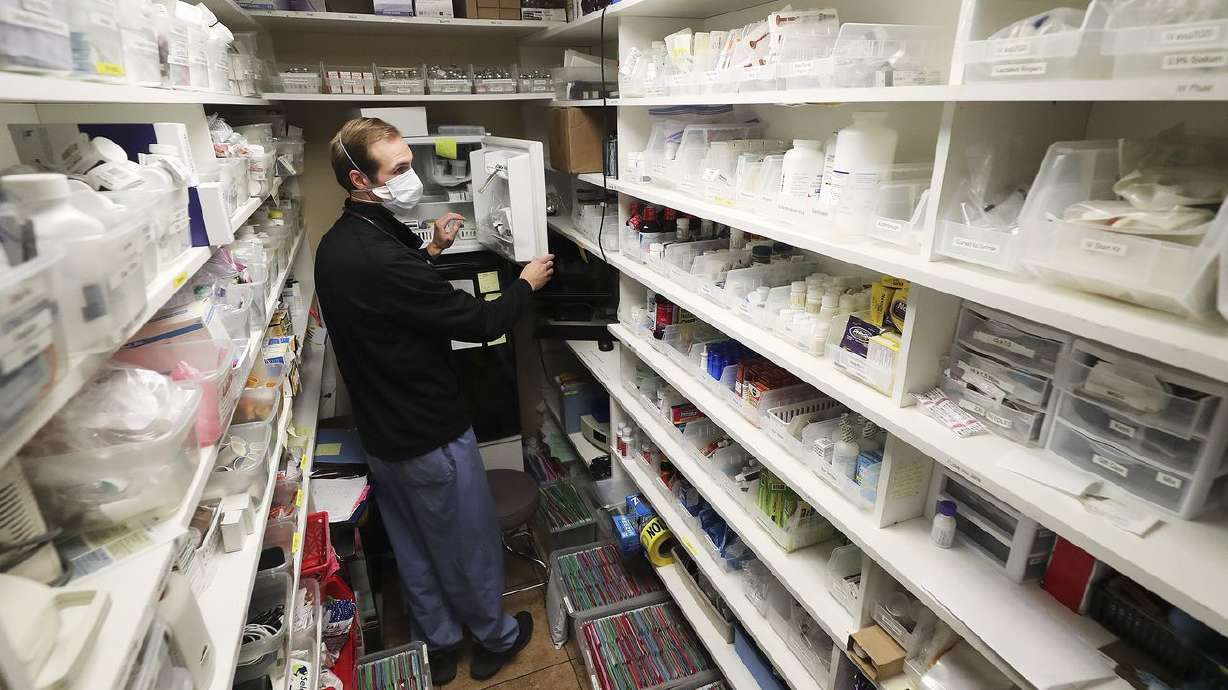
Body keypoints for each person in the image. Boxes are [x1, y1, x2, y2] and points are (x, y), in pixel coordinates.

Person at [314, 117, 554, 685]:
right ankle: (493, 639)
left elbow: (393, 294)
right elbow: (481, 321)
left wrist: (434, 249)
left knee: (414, 546)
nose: (411, 176)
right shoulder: (382, 257)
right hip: (429, 431)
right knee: (467, 540)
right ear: (359, 179)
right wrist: (526, 284)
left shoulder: (340, 243)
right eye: (398, 169)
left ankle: (440, 646)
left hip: (382, 432)